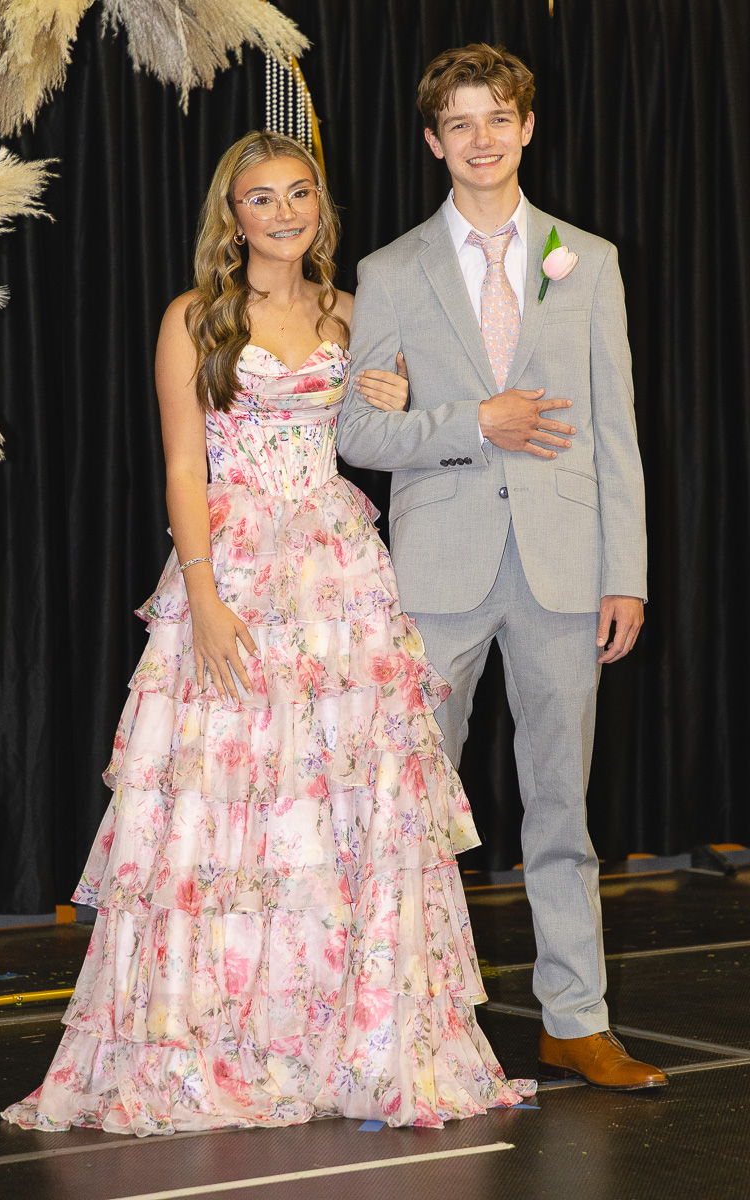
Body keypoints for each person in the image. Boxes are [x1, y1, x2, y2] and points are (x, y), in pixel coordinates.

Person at [2, 130, 535, 1136]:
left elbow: (386, 437)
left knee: (346, 797)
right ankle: (215, 1040)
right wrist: (202, 595)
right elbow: (183, 467)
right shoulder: (194, 318)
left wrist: (394, 398)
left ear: (319, 208)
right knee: (224, 795)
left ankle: (348, 1038)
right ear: (232, 213)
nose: (282, 212)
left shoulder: (355, 312)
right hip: (237, 567)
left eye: (298, 193)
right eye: (260, 197)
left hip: (340, 574)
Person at [339, 44, 667, 1091]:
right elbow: (357, 432)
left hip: (566, 569)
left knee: (560, 808)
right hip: (436, 570)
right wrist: (473, 421)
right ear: (432, 141)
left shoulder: (589, 260)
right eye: (459, 123)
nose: (480, 140)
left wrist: (627, 573)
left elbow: (614, 430)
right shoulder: (390, 271)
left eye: (497, 119)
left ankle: (575, 1020)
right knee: (415, 809)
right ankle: (410, 1023)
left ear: (526, 128)